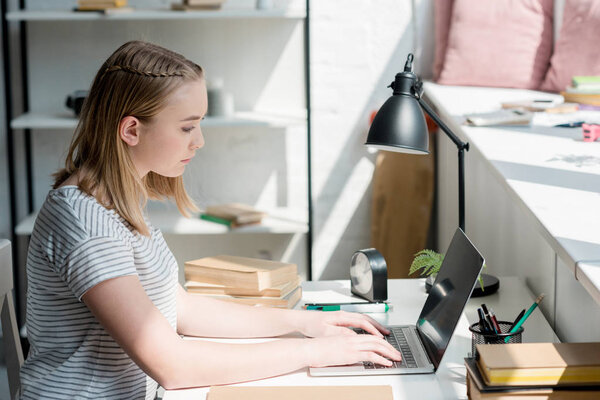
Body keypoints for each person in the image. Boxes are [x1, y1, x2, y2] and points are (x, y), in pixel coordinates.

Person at [19, 40, 401, 399]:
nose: (199, 140)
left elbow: (180, 308)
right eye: (187, 126)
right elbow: (173, 365)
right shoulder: (87, 222)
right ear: (131, 130)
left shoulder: (116, 202)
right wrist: (314, 353)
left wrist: (302, 324)